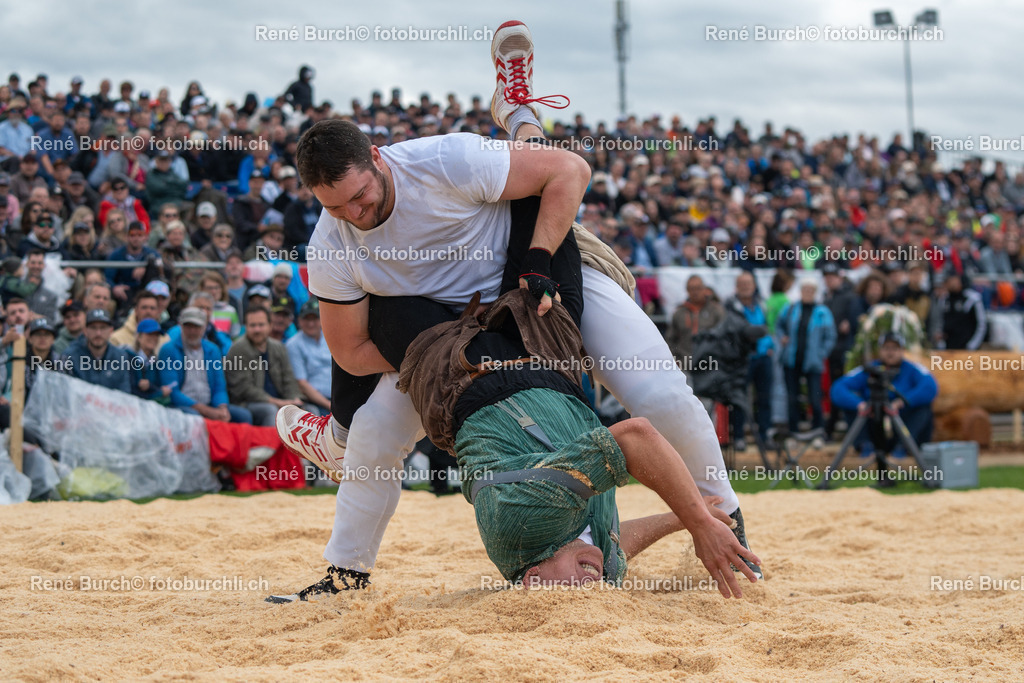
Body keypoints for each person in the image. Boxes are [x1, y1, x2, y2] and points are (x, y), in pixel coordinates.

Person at [274, 21, 759, 598]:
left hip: (525, 277)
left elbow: (568, 171)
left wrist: (534, 262)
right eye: (337, 207)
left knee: (662, 393)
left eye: (361, 195)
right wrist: (438, 352)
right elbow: (349, 350)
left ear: (379, 158)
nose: (356, 213)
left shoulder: (442, 161)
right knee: (375, 433)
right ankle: (344, 572)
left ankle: (729, 523)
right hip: (447, 324)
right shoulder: (332, 244)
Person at [269, 209, 758, 601]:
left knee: (375, 291)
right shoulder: (588, 564)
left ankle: (337, 439)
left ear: (533, 583)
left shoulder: (525, 524)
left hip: (462, 372)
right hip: (551, 361)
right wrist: (691, 519)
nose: (594, 589)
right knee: (545, 215)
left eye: (576, 594)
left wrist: (697, 522)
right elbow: (613, 545)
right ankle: (523, 121)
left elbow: (637, 436)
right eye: (599, 591)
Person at [830, 331, 937, 484]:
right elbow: (838, 388)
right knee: (850, 407)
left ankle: (903, 448)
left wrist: (902, 402)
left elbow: (930, 387)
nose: (890, 353)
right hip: (873, 421)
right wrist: (860, 404)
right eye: (886, 348)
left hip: (901, 422)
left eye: (895, 348)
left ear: (902, 350)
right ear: (880, 351)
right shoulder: (870, 370)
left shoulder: (913, 369)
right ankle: (865, 446)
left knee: (923, 409)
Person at [159, 306, 251, 423]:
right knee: (195, 417)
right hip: (182, 407)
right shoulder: (169, 350)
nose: (192, 331)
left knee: (243, 416)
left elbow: (219, 386)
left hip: (210, 404)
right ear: (181, 326)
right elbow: (172, 392)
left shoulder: (213, 350)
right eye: (188, 326)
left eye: (196, 327)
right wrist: (206, 411)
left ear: (204, 328)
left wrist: (221, 408)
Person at [225, 305, 303, 426]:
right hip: (248, 403)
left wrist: (294, 398)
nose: (257, 330)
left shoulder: (278, 347)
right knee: (270, 410)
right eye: (252, 325)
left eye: (261, 325)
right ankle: (272, 445)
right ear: (245, 327)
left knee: (309, 411)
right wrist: (277, 402)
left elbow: (289, 379)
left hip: (280, 400)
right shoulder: (238, 349)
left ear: (269, 326)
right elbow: (244, 389)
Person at [776, 279, 836, 436]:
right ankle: (793, 431)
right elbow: (779, 325)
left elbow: (830, 336)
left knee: (815, 398)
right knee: (792, 398)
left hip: (813, 362)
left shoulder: (822, 312)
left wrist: (822, 353)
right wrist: (782, 337)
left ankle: (818, 429)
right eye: (805, 290)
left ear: (815, 292)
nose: (808, 293)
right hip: (791, 360)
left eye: (811, 290)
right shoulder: (790, 309)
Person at [722, 271, 773, 448]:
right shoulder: (730, 305)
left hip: (763, 356)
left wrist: (770, 347)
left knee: (764, 397)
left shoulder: (762, 304)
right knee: (739, 398)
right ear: (736, 286)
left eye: (748, 283)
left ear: (754, 285)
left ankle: (765, 435)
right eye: (742, 284)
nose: (745, 287)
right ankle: (739, 437)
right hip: (742, 358)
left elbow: (768, 327)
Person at [821, 263, 863, 438]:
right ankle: (834, 427)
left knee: (843, 388)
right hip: (832, 350)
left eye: (832, 277)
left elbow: (854, 324)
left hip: (845, 350)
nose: (829, 280)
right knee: (835, 389)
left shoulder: (849, 297)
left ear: (839, 278)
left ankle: (843, 427)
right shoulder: (827, 298)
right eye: (827, 277)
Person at [62, 308, 137, 394]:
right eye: (93, 328)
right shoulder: (70, 356)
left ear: (111, 331)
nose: (98, 333)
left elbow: (124, 394)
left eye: (103, 328)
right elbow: (66, 393)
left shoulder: (120, 356)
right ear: (85, 331)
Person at [665, 274, 724, 368]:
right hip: (685, 364)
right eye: (691, 289)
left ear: (704, 289)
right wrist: (675, 359)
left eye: (698, 288)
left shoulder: (716, 310)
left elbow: (725, 337)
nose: (695, 292)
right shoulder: (679, 313)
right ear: (687, 290)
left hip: (711, 364)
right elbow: (670, 339)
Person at [286, 298, 332, 416]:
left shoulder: (331, 337)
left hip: (339, 398)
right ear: (299, 321)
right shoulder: (294, 344)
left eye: (314, 319)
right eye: (307, 319)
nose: (310, 324)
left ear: (321, 319)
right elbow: (302, 384)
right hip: (315, 401)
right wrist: (329, 405)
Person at [932, 273, 986, 350]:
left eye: (951, 279)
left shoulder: (972, 299)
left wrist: (972, 346)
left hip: (967, 348)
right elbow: (939, 322)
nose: (949, 283)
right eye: (947, 281)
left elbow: (981, 324)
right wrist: (941, 343)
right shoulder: (944, 300)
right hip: (948, 349)